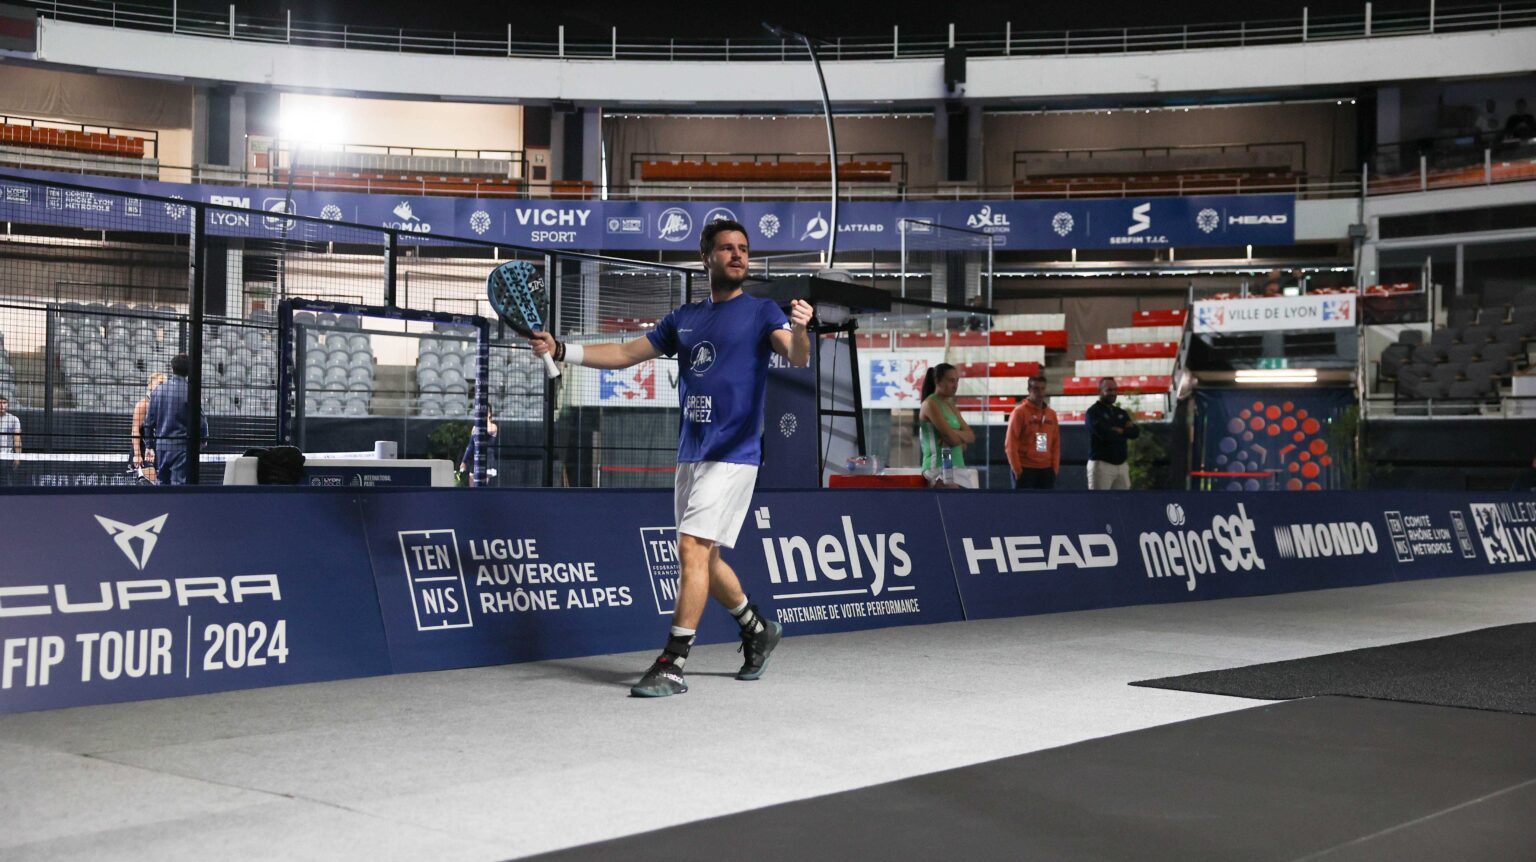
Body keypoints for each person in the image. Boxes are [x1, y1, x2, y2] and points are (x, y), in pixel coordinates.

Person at [529, 219, 812, 698]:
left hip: (734, 453)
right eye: (727, 248)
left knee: (691, 549)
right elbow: (624, 352)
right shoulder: (684, 318)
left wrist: (801, 330)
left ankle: (672, 663)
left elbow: (797, 355)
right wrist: (562, 349)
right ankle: (757, 628)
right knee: (706, 556)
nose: (738, 255)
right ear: (707, 258)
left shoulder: (763, 312)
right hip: (691, 452)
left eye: (744, 248)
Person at [143, 353, 209, 486]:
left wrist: (149, 445)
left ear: (172, 367)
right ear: (189, 370)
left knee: (162, 484)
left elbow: (148, 422)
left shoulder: (157, 391)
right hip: (182, 447)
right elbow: (201, 421)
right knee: (179, 486)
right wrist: (203, 440)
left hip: (162, 446)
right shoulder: (190, 391)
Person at [918, 362, 974, 487]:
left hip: (958, 467)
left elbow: (970, 436)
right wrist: (957, 437)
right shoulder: (930, 404)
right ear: (938, 381)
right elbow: (953, 441)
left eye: (957, 381)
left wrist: (953, 433)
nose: (955, 385)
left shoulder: (950, 405)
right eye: (951, 381)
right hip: (938, 468)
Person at [1005, 375, 1059, 490]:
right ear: (1029, 390)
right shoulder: (1019, 413)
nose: (1040, 392)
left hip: (1046, 470)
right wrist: (1017, 470)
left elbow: (1055, 443)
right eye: (1036, 389)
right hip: (1025, 469)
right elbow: (1011, 443)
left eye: (1042, 389)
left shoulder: (1051, 414)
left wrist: (1054, 468)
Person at [1085, 377, 1139, 490]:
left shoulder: (1121, 412)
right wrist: (1124, 432)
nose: (1113, 393)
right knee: (1100, 501)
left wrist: (1121, 431)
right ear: (1100, 391)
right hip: (1101, 466)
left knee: (1123, 501)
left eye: (1115, 390)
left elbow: (1135, 433)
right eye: (1109, 390)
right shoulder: (1093, 412)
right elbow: (1105, 435)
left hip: (1122, 466)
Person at [131, 373, 166, 483]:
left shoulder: (164, 406)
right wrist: (137, 455)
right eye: (160, 383)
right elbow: (135, 430)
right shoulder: (143, 405)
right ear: (150, 385)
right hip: (143, 451)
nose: (163, 386)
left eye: (165, 384)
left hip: (158, 452)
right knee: (149, 485)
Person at [458, 404, 498, 487]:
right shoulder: (475, 428)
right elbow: (470, 445)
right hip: (476, 460)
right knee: (472, 488)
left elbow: (487, 431)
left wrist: (482, 422)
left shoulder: (493, 426)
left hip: (487, 460)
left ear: (489, 414)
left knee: (481, 487)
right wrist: (464, 461)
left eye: (485, 412)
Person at [0, 395, 20, 486]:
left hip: (6, 457)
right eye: (0, 403)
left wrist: (17, 457)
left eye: (4, 403)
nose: (2, 405)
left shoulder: (14, 419)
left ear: (7, 404)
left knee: (7, 484)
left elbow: (17, 439)